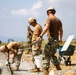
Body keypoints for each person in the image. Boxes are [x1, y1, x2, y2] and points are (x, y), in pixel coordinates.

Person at [37, 6, 63, 75]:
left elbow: (46, 28)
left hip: (50, 39)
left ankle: (45, 71)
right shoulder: (58, 20)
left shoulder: (49, 19)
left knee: (46, 54)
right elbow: (61, 30)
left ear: (48, 12)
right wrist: (60, 39)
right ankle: (58, 67)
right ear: (54, 12)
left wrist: (40, 36)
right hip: (56, 39)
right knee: (52, 54)